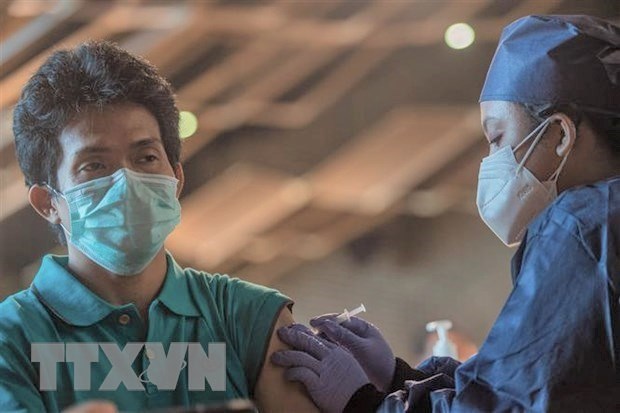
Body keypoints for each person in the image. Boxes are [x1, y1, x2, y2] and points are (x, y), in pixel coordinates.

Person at [272, 14, 620, 412]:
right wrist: (401, 378)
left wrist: (363, 402)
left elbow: (506, 407)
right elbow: (540, 386)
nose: (490, 162)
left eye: (497, 138)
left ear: (559, 135)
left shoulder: (584, 227)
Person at [0, 41, 319, 413]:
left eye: (146, 157)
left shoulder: (250, 316)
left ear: (176, 179)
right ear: (48, 203)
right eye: (95, 166)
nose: (127, 181)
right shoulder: (13, 339)